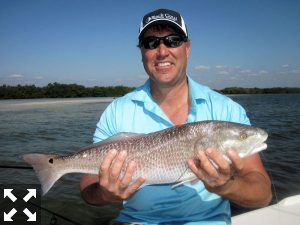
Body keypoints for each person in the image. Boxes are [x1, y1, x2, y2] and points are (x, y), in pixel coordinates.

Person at [80, 8, 272, 225]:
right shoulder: (117, 110)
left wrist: (226, 185)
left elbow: (262, 194)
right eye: (151, 42)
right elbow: (88, 189)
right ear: (141, 51)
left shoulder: (226, 108)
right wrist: (106, 194)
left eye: (173, 40)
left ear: (187, 48)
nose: (162, 51)